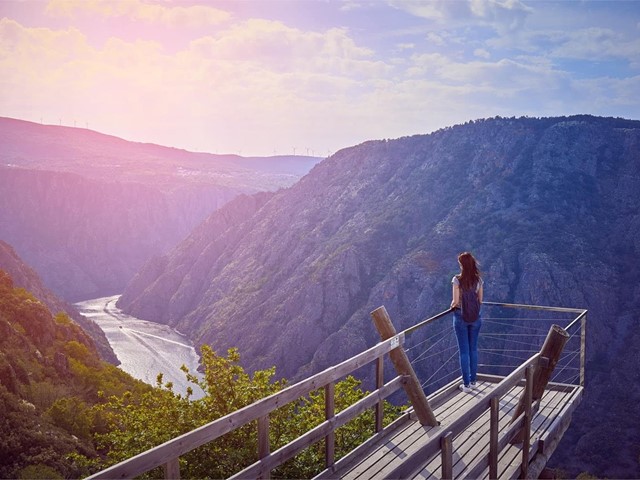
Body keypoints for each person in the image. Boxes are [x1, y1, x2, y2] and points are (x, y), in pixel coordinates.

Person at [450, 252, 483, 393]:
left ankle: (467, 385)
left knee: (464, 352)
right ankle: (474, 381)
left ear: (462, 265)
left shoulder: (457, 280)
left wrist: (451, 305)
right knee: (473, 349)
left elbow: (456, 302)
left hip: (460, 317)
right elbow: (480, 300)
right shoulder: (478, 280)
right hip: (475, 317)